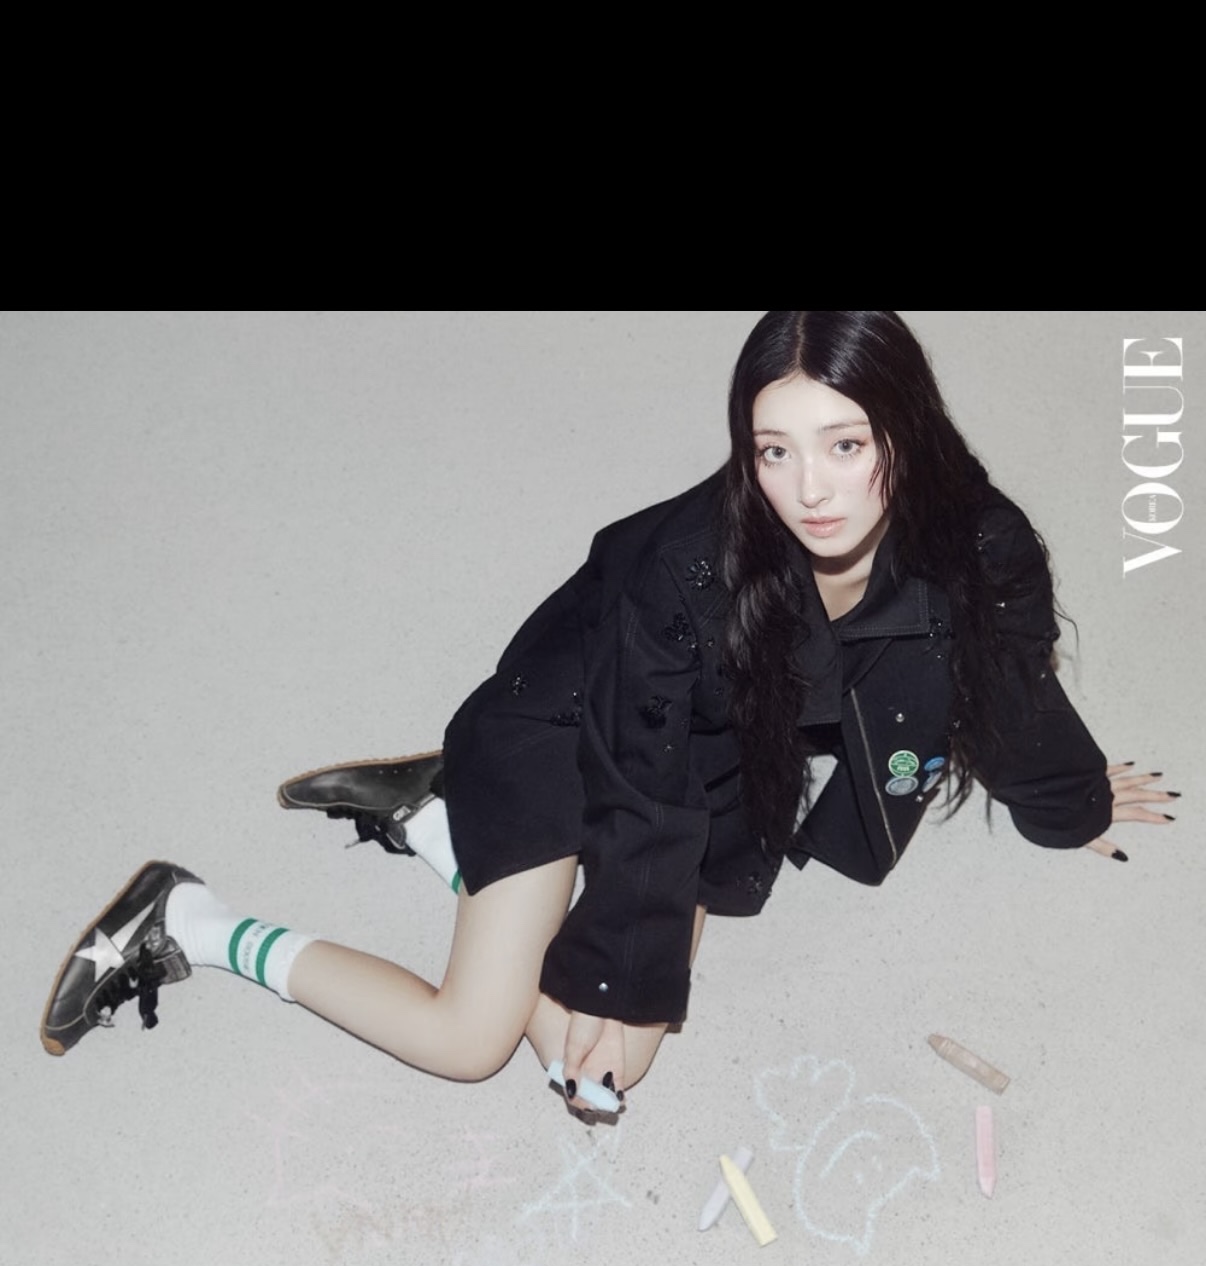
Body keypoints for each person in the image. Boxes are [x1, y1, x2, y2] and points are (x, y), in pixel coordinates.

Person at [40, 311, 1175, 1111]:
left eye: (845, 445)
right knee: (474, 1041)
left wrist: (1071, 804)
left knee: (607, 1072)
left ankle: (434, 824)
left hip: (717, 754)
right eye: (773, 451)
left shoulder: (977, 539)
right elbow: (643, 782)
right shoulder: (688, 568)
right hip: (567, 721)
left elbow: (1008, 680)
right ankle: (192, 920)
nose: (809, 490)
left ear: (903, 433)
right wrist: (611, 969)